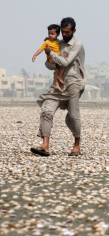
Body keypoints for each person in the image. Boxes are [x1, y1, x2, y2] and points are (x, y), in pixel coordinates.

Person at [30, 17, 86, 157]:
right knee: (46, 110)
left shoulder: (77, 44)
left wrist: (52, 54)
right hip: (57, 83)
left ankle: (77, 144)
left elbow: (66, 62)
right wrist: (52, 58)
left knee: (73, 116)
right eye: (63, 32)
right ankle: (45, 145)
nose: (65, 34)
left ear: (74, 30)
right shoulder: (57, 44)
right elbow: (48, 65)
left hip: (73, 83)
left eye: (68, 32)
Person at [32, 24, 67, 92]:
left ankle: (57, 84)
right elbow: (41, 49)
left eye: (52, 34)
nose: (50, 35)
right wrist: (35, 55)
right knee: (63, 64)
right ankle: (60, 76)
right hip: (52, 59)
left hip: (57, 58)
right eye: (49, 33)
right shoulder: (47, 42)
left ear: (57, 34)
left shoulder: (58, 41)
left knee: (57, 70)